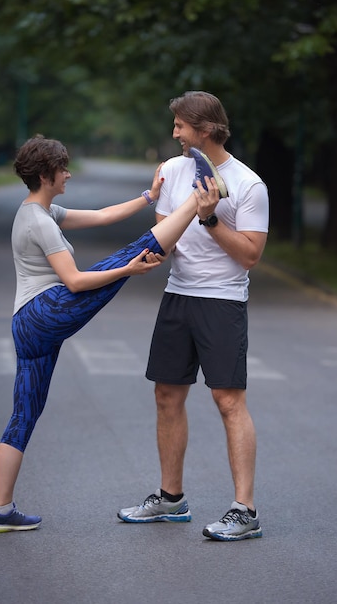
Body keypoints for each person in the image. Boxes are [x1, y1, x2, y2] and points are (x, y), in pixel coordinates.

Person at [0, 134, 218, 533]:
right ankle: (201, 199)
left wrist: (149, 196)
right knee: (132, 254)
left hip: (26, 324)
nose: (69, 174)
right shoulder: (39, 222)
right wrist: (128, 272)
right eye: (63, 169)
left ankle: (2, 512)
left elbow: (102, 216)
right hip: (47, 312)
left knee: (24, 413)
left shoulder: (38, 212)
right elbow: (75, 282)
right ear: (46, 175)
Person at [117, 91, 269, 541]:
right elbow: (166, 238)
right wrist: (149, 256)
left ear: (204, 129)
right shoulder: (174, 170)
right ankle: (170, 499)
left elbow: (251, 257)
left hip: (222, 301)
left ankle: (245, 510)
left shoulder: (248, 184)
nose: (174, 133)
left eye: (181, 125)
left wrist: (211, 220)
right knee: (166, 395)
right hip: (177, 296)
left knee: (228, 401)